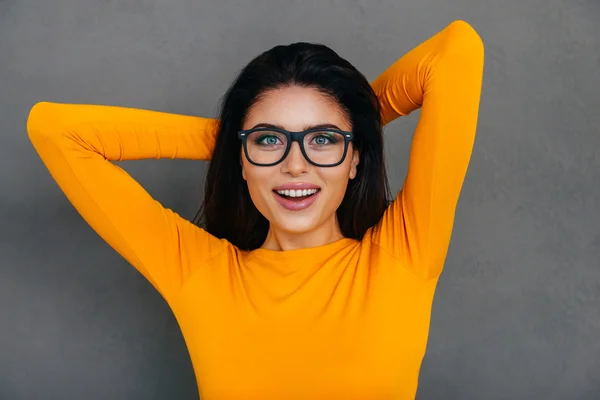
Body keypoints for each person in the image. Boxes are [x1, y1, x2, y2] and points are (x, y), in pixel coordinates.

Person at [27, 19, 484, 400]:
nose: (295, 164)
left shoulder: (403, 253)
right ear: (241, 163)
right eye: (269, 140)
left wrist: (358, 122)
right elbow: (55, 130)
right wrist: (233, 141)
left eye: (321, 140)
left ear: (354, 159)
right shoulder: (200, 274)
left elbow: (456, 51)